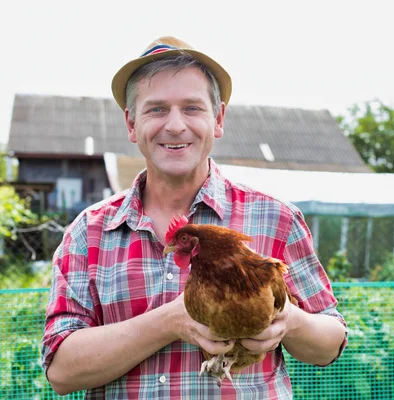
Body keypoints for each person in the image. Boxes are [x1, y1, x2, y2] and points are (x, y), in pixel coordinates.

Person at [41, 36, 347, 399]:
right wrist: (170, 321)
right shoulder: (89, 233)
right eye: (156, 109)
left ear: (217, 119)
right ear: (131, 123)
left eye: (191, 108)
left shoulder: (275, 218)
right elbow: (60, 371)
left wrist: (290, 321)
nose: (174, 125)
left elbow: (330, 343)